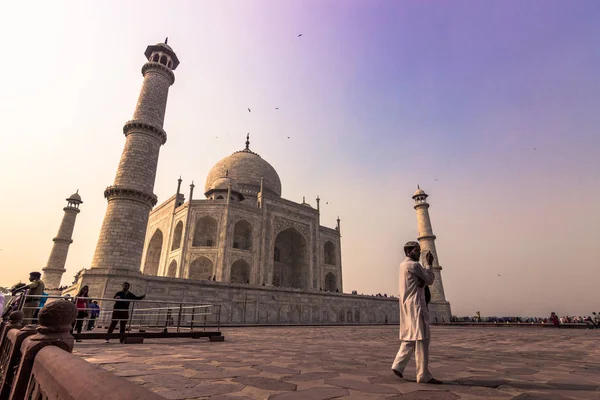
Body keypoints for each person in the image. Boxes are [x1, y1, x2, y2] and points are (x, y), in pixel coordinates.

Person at [391, 241, 442, 384]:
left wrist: (422, 280)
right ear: (408, 252)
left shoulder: (403, 266)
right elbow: (430, 279)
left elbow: (420, 281)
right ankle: (423, 375)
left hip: (407, 306)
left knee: (411, 336)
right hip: (417, 306)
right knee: (422, 339)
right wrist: (429, 264)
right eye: (416, 250)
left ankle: (398, 365)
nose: (419, 252)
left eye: (419, 250)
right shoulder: (414, 265)